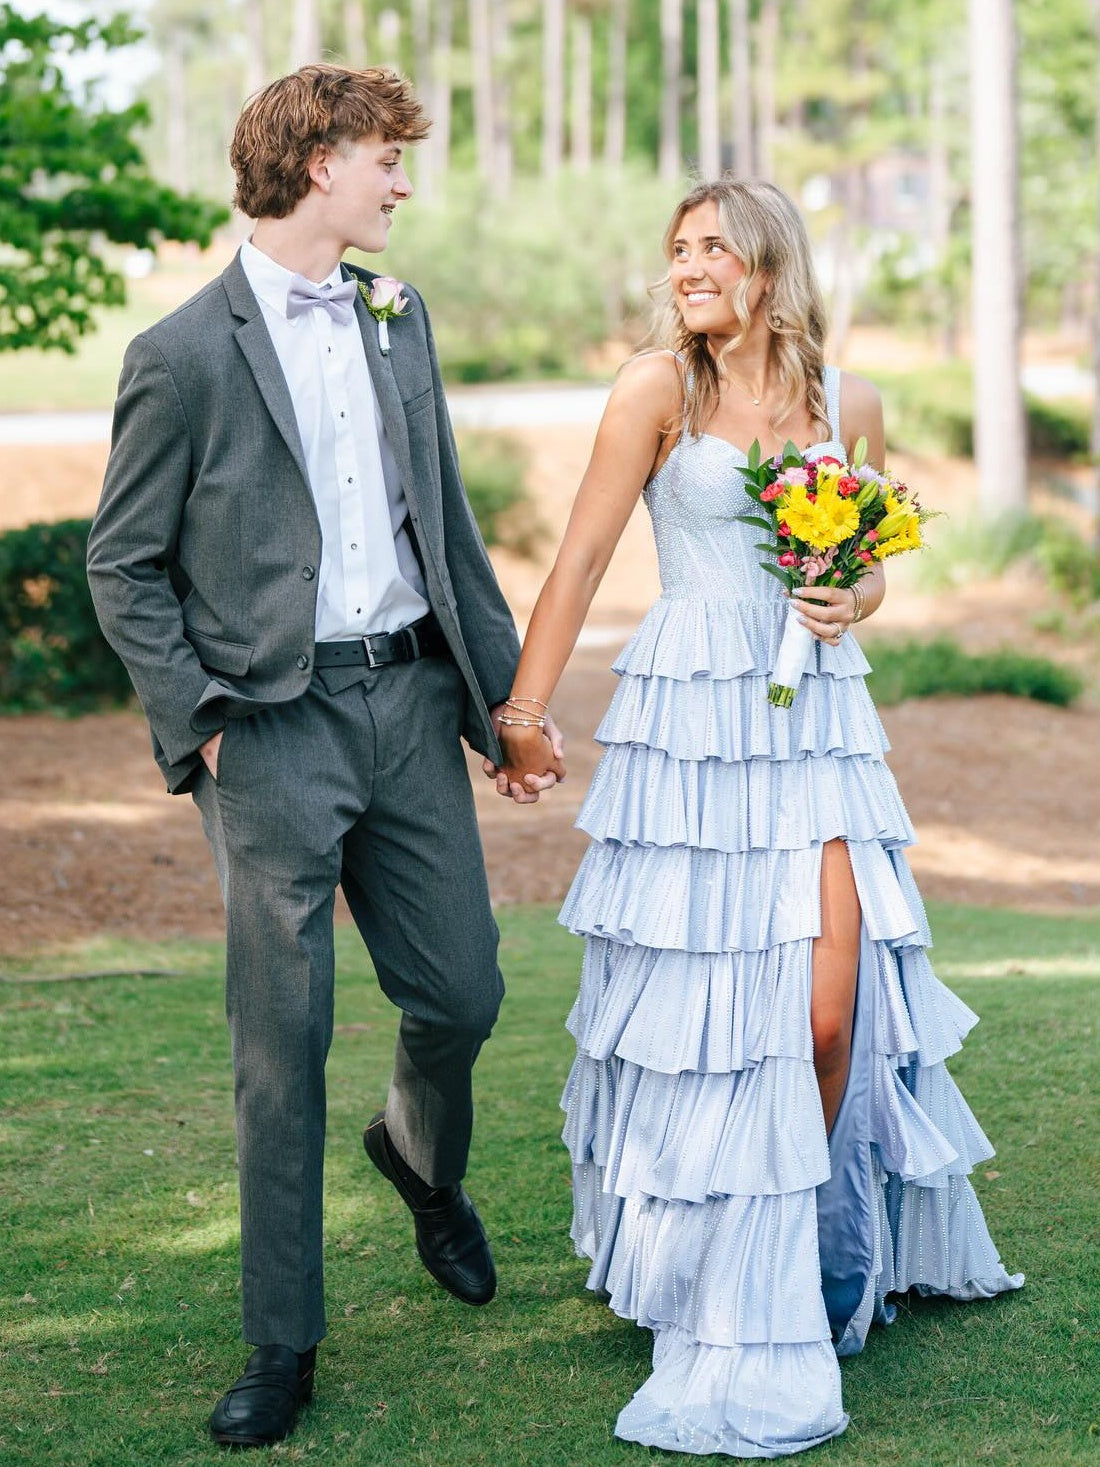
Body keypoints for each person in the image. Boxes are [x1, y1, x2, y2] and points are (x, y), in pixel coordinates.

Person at [494, 177, 1023, 1457]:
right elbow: (580, 558)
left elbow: (869, 563)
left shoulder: (849, 403)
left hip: (816, 726)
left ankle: (797, 1248)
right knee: (702, 1013)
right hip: (692, 724)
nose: (684, 268)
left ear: (768, 270)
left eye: (710, 249)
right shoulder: (654, 393)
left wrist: (855, 598)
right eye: (675, 248)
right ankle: (719, 1273)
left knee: (827, 1016)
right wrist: (524, 710)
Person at [87, 63, 557, 1450]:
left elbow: (446, 529)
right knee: (281, 1047)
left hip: (409, 705)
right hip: (269, 734)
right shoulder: (179, 354)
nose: (401, 182)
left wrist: (506, 709)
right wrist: (202, 719)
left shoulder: (400, 322)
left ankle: (419, 1159)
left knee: (462, 991)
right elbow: (123, 565)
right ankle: (281, 1339)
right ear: (315, 164)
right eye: (384, 159)